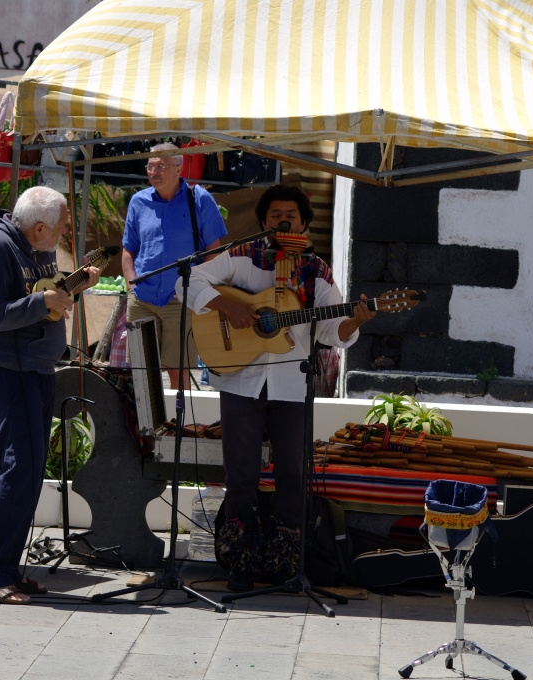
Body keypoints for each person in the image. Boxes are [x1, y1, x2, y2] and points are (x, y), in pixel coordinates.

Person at [177, 184, 375, 590]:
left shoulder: (315, 271)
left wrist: (355, 320)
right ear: (263, 222)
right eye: (275, 215)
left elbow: (331, 330)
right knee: (241, 474)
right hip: (240, 379)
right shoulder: (242, 256)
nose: (283, 221)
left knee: (292, 473)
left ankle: (286, 563)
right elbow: (187, 281)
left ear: (304, 223)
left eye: (291, 215)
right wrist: (229, 306)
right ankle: (241, 562)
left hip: (291, 385)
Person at [0, 186, 100, 605]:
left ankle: (5, 568)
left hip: (35, 372)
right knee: (18, 471)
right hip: (8, 375)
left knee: (27, 473)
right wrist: (43, 301)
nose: (63, 236)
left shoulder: (35, 245)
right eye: (60, 230)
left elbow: (47, 296)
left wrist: (71, 288)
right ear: (39, 227)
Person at [122, 142, 227, 389]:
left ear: (179, 168)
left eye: (160, 166)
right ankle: (144, 416)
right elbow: (128, 250)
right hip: (143, 297)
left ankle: (179, 416)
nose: (153, 172)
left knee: (178, 372)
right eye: (150, 166)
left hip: (180, 300)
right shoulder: (138, 201)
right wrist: (130, 286)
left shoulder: (199, 199)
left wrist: (194, 288)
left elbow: (214, 252)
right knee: (141, 370)